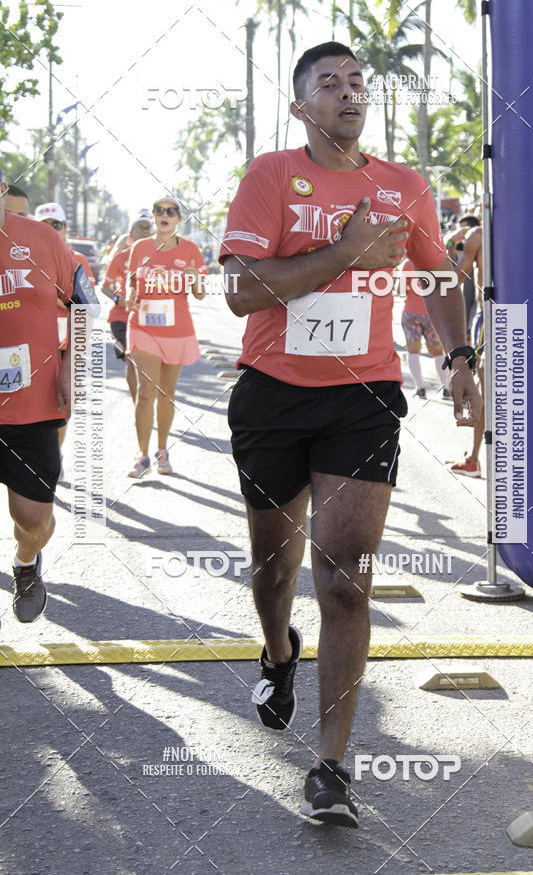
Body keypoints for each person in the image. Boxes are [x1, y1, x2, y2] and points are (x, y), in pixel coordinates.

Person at [219, 41, 482, 828]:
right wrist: (345, 253)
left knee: (343, 578)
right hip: (272, 396)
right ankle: (276, 652)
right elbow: (238, 291)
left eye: (358, 82)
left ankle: (331, 766)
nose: (348, 92)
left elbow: (436, 277)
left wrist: (459, 356)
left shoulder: (405, 187)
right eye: (328, 84)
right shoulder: (271, 176)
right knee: (273, 572)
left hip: (363, 399)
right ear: (302, 107)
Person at [0, 164, 79, 623]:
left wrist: (71, 361)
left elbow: (83, 302)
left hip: (32, 409)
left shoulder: (41, 240)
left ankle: (26, 562)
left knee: (33, 522)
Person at [125, 196, 206, 478]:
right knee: (146, 392)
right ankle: (142, 455)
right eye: (159, 210)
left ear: (179, 219)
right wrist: (129, 297)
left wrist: (195, 278)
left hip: (177, 330)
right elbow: (132, 281)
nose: (165, 215)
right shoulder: (140, 248)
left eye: (171, 211)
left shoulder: (192, 250)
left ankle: (162, 451)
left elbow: (200, 293)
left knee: (166, 394)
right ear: (154, 216)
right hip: (143, 327)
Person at [34, 202, 97, 479]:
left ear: (65, 228)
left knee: (64, 409)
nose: (51, 230)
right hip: (35, 347)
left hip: (67, 345)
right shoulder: (24, 255)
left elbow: (87, 306)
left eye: (55, 225)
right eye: (44, 225)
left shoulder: (78, 260)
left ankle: (54, 454)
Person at [101, 212, 153, 402]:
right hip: (121, 319)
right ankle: (137, 405)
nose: (145, 231)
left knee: (149, 364)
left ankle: (146, 400)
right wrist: (117, 298)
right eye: (141, 227)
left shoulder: (160, 256)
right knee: (132, 361)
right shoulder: (121, 257)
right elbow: (105, 286)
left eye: (148, 227)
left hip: (150, 319)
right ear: (132, 232)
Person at [447, 225, 484, 477]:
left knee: (487, 389)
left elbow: (452, 279)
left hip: (494, 316)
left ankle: (473, 458)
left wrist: (449, 244)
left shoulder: (479, 234)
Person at [399, 258, 450, 400]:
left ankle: (420, 388)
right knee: (438, 351)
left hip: (410, 311)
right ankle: (445, 388)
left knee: (413, 351)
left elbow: (400, 290)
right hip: (432, 312)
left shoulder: (408, 263)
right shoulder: (436, 261)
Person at [445, 214, 481, 341]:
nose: (461, 235)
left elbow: (453, 280)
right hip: (486, 313)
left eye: (462, 230)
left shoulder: (476, 236)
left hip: (483, 313)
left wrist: (450, 242)